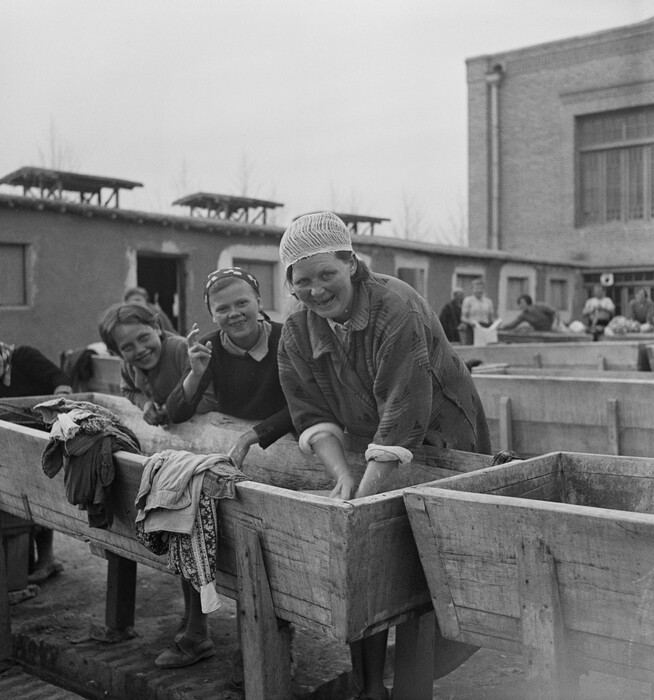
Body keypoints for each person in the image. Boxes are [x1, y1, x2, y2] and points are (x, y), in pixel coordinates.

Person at [277, 212, 491, 700]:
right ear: (290, 283)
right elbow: (308, 411)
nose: (317, 290)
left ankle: (414, 687)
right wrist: (343, 481)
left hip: (441, 438)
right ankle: (371, 689)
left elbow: (403, 411)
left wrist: (356, 511)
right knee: (367, 562)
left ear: (351, 264)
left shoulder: (395, 307)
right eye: (302, 280)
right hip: (367, 443)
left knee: (423, 563)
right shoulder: (295, 330)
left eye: (327, 274)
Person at [156, 268, 293, 671]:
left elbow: (308, 404)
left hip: (283, 447)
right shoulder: (210, 347)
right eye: (222, 308)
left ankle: (272, 653)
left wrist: (254, 436)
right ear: (212, 314)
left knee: (275, 552)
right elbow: (176, 413)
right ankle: (197, 632)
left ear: (258, 303)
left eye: (241, 303)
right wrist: (196, 373)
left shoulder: (288, 339)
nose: (234, 314)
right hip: (234, 454)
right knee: (189, 513)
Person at [0, 341, 73, 584]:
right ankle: (19, 565)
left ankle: (46, 559)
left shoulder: (22, 357)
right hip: (7, 444)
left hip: (40, 438)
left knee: (36, 495)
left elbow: (59, 380)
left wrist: (58, 401)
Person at [98, 302, 194, 426]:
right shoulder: (128, 366)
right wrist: (146, 404)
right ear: (118, 353)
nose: (139, 350)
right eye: (127, 347)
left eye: (143, 338)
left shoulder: (180, 350)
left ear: (157, 328)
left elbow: (207, 393)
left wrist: (170, 409)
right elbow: (128, 390)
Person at [460, 278, 495, 345]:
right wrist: (471, 322)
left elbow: (491, 318)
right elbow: (463, 318)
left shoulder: (488, 301)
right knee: (472, 350)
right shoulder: (468, 300)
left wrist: (496, 323)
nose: (479, 290)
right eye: (476, 288)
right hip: (473, 328)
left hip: (485, 328)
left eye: (481, 288)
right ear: (472, 289)